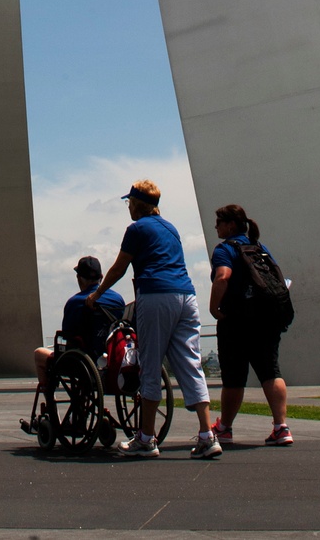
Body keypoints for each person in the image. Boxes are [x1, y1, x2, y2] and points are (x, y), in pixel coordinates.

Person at [87, 180, 220, 459]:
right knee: (190, 364)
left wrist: (97, 293)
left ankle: (146, 439)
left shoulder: (137, 229)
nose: (128, 208)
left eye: (129, 203)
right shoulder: (171, 228)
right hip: (187, 296)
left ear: (138, 204)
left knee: (149, 364)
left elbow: (120, 267)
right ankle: (207, 436)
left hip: (156, 295)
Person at [209, 203, 292, 446]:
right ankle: (281, 427)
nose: (216, 227)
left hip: (236, 320)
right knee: (270, 372)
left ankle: (224, 428)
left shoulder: (225, 249)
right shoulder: (259, 247)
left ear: (230, 225)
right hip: (267, 319)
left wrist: (214, 308)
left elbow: (223, 276)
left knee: (234, 377)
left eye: (219, 223)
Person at [34, 256, 125, 387]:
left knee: (39, 354)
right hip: (112, 361)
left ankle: (49, 399)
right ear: (102, 277)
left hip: (82, 363)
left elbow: (67, 334)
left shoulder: (74, 302)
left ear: (79, 279)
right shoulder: (118, 300)